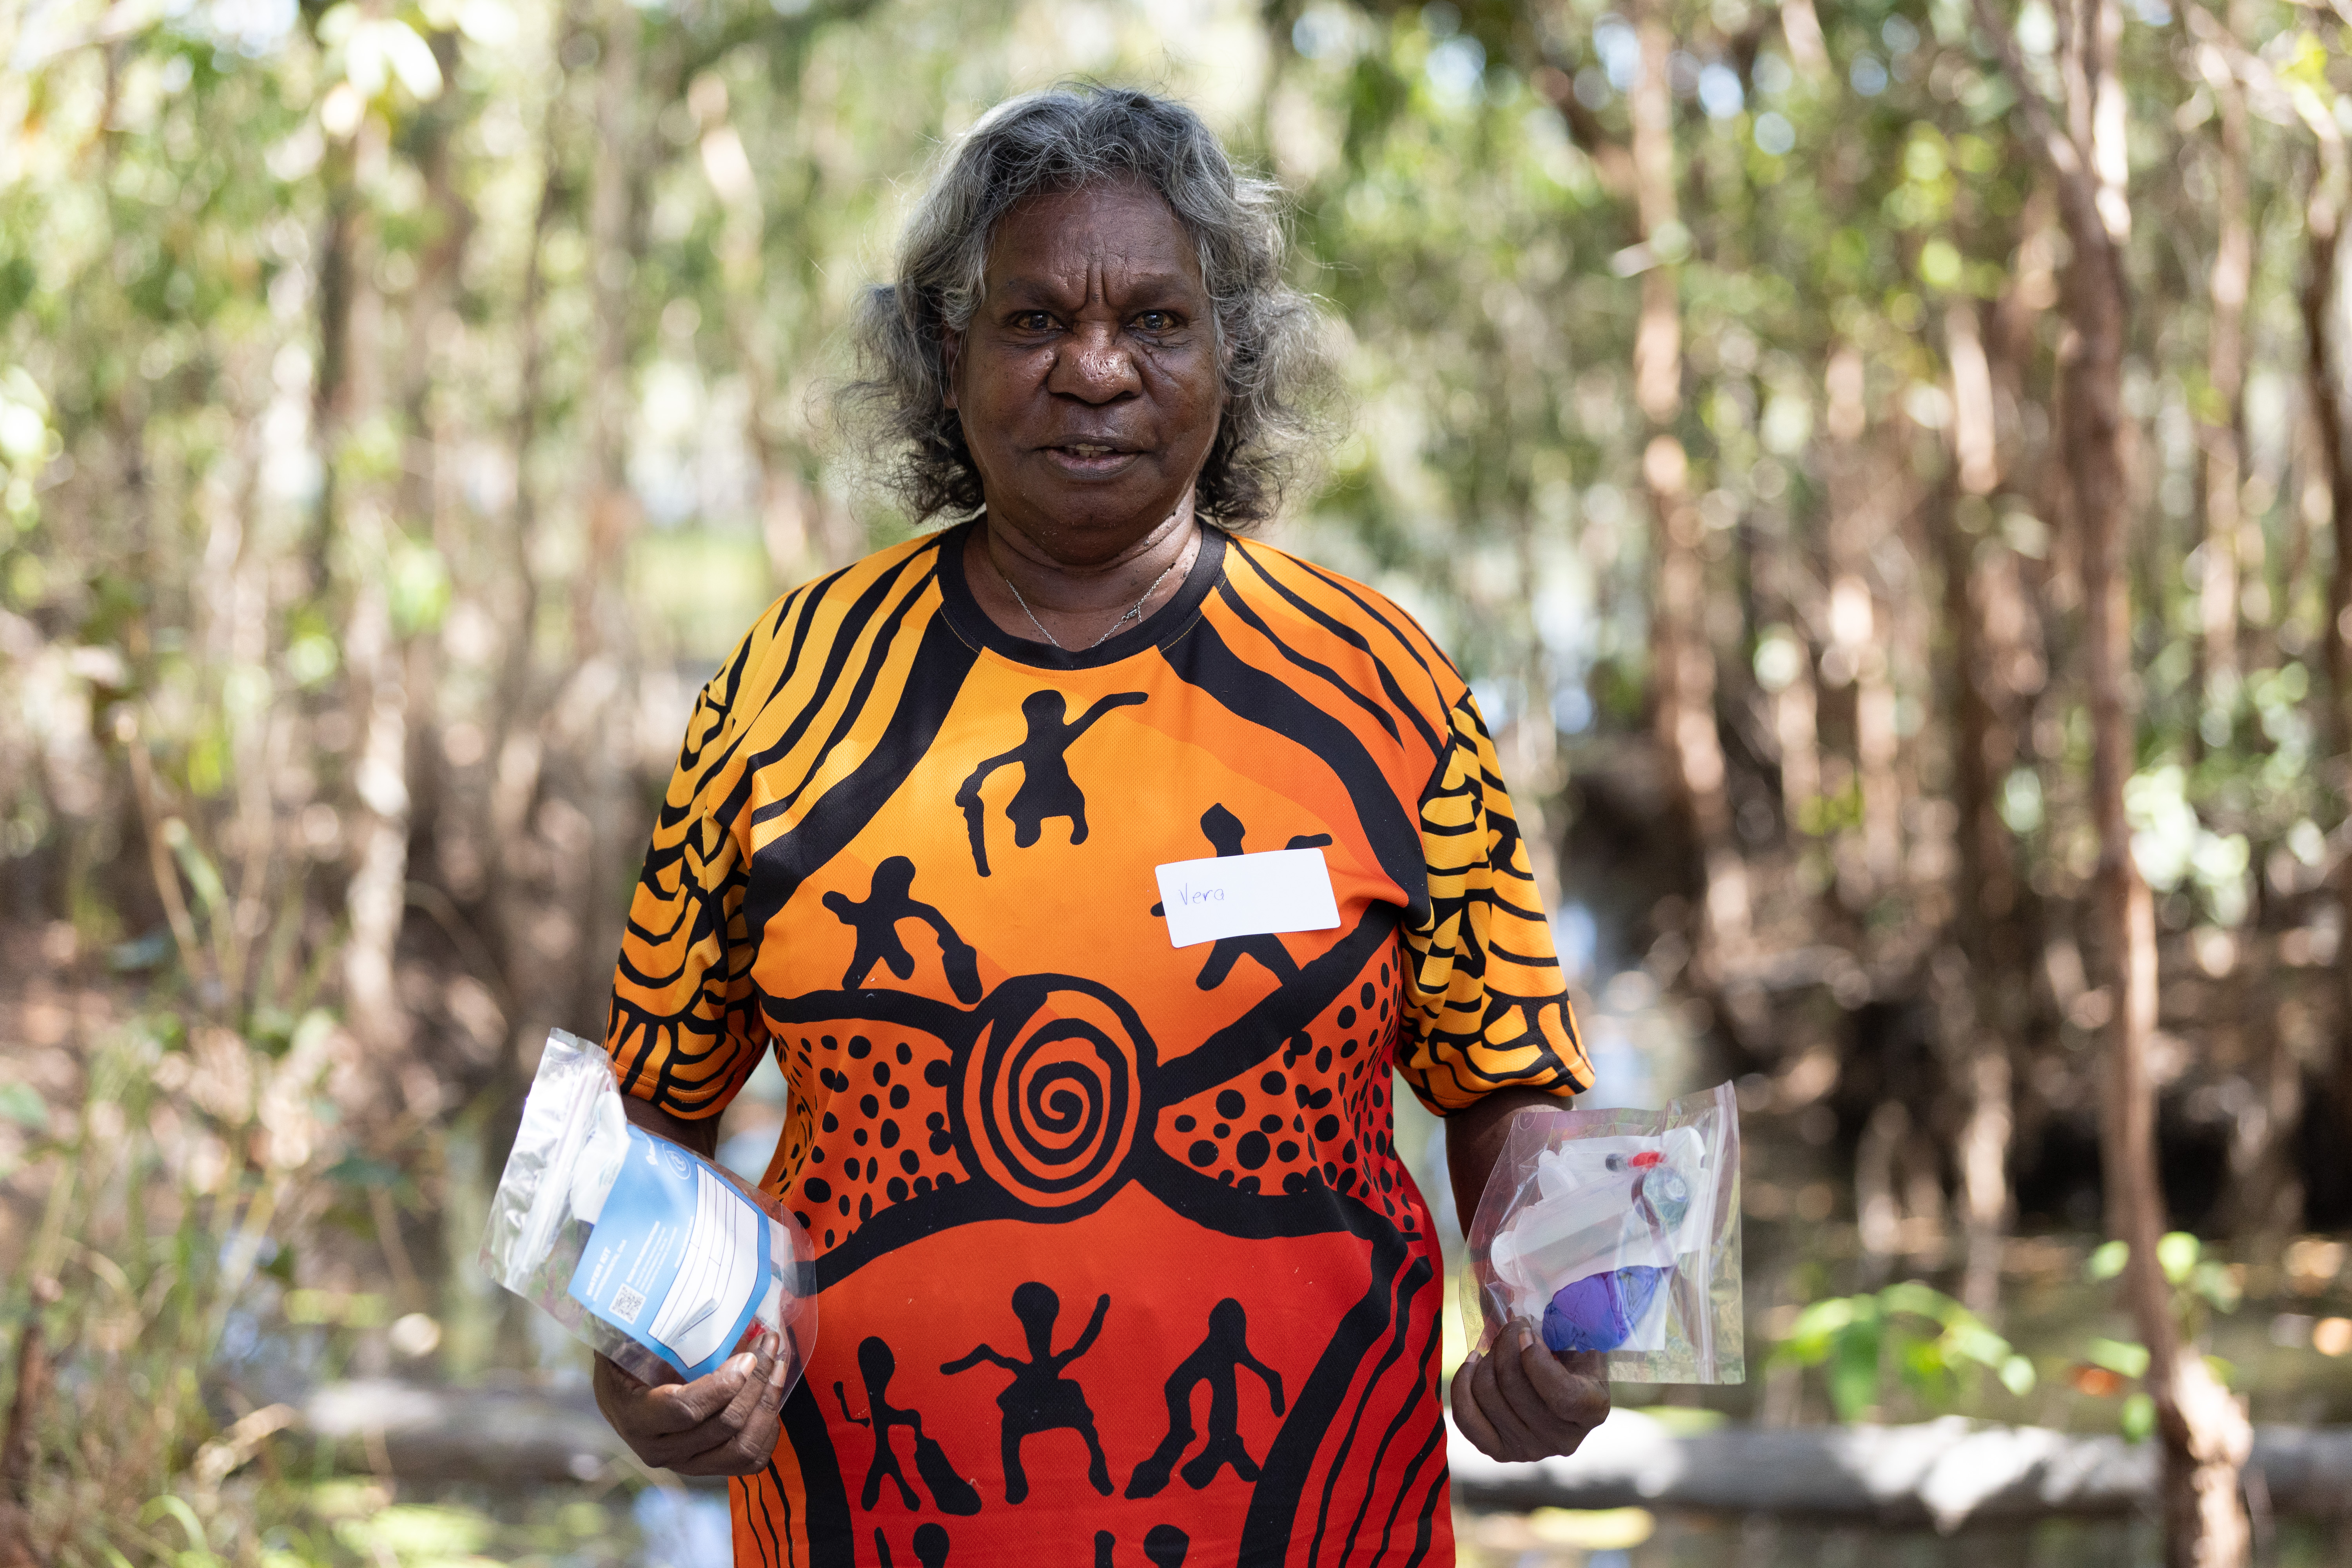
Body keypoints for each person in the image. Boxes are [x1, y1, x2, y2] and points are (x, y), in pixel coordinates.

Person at [587, 83, 1606, 1566]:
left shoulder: (1383, 686)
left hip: (1319, 1531)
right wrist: (640, 1365)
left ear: (1230, 354)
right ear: (948, 354)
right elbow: (649, 1112)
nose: (1095, 368)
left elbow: (1505, 1076)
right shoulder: (786, 693)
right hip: (860, 1532)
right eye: (1032, 319)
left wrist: (1551, 1313)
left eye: (1157, 320)